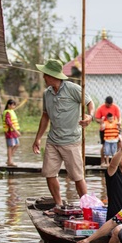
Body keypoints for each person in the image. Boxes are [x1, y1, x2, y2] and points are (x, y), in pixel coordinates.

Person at [32, 59, 94, 208]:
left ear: (53, 76)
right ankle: (58, 204)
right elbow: (45, 116)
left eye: (45, 75)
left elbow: (89, 103)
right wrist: (38, 138)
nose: (43, 77)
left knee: (77, 176)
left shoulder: (73, 89)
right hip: (53, 140)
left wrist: (90, 117)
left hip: (71, 140)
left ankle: (86, 207)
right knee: (49, 173)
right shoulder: (47, 93)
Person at [95, 96, 122, 166]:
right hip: (105, 129)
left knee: (119, 144)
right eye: (108, 104)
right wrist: (101, 121)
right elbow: (97, 119)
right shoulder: (101, 108)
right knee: (104, 145)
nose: (109, 106)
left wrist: (119, 123)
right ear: (105, 102)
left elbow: (119, 117)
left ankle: (118, 160)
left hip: (114, 128)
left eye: (110, 105)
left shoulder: (115, 107)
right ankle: (103, 161)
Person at [3, 99, 21, 167]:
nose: (14, 106)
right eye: (13, 105)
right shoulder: (7, 112)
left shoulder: (11, 111)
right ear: (9, 105)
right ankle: (10, 161)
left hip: (13, 132)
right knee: (10, 146)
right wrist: (16, 131)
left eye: (14, 105)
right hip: (9, 132)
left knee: (17, 145)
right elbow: (9, 123)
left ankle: (9, 159)